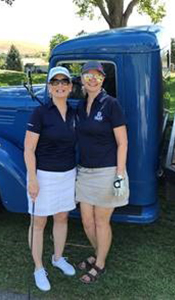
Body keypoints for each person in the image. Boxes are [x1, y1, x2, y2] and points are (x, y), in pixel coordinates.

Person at [76, 61, 129, 283]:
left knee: (100, 221)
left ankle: (100, 264)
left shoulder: (110, 104)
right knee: (86, 221)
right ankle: (99, 253)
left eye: (97, 76)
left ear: (102, 80)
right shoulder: (80, 106)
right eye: (88, 75)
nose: (92, 79)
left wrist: (119, 175)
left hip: (107, 171)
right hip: (85, 171)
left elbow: (123, 142)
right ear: (82, 80)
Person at [24, 66, 76, 292]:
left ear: (71, 87)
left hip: (67, 174)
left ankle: (58, 257)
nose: (60, 85)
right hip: (43, 175)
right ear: (49, 87)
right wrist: (33, 179)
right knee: (39, 223)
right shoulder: (40, 113)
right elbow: (28, 149)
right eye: (55, 82)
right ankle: (38, 267)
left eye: (64, 81)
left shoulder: (75, 113)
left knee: (62, 217)